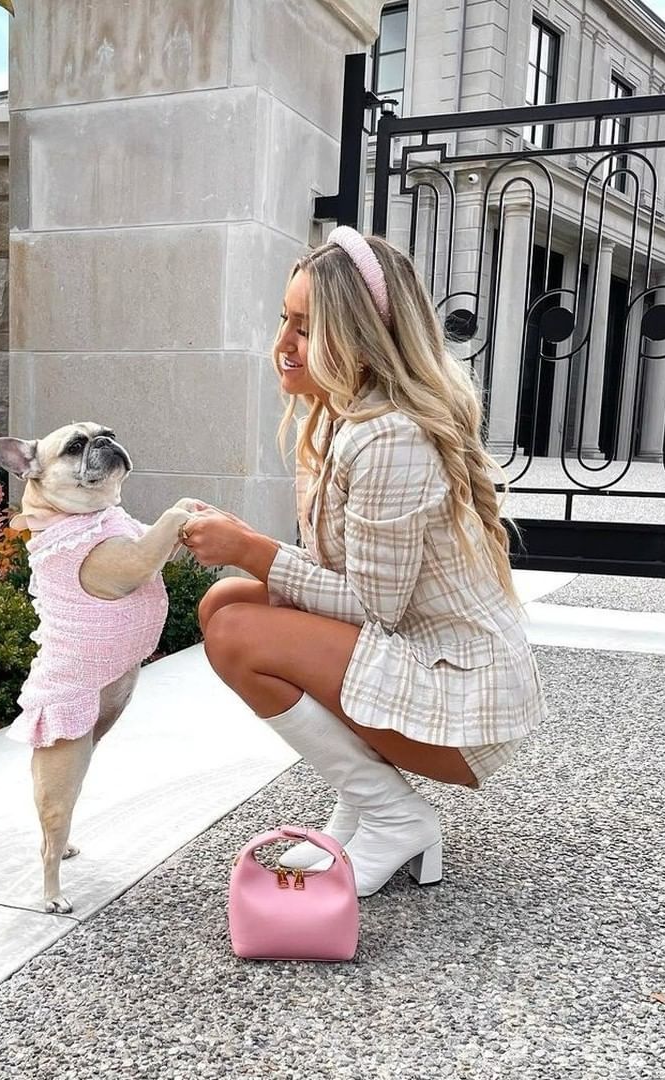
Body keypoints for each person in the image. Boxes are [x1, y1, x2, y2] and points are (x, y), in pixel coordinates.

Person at [180, 227, 546, 897]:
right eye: (284, 319)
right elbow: (353, 585)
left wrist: (252, 551)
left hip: (463, 698)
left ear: (357, 338)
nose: (284, 343)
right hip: (422, 657)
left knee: (237, 631)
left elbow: (376, 609)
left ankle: (394, 815)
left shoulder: (388, 438)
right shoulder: (344, 418)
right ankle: (367, 800)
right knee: (223, 603)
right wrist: (247, 546)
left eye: (305, 327)